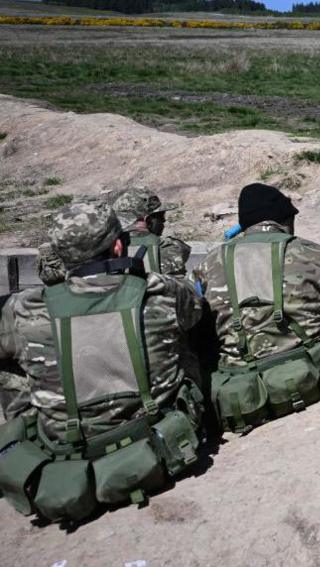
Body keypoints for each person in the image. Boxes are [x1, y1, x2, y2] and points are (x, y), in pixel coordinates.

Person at [0, 201, 206, 522]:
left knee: (11, 360)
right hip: (154, 431)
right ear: (119, 245)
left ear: (60, 254)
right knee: (183, 335)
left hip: (65, 448)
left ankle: (31, 426)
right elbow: (195, 311)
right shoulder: (159, 291)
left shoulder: (24, 309)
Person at [193, 183, 320, 432]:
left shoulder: (210, 263)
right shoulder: (312, 253)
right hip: (311, 383)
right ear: (285, 221)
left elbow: (202, 334)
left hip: (241, 399)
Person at [112, 187, 191, 277]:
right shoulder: (168, 248)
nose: (164, 220)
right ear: (148, 220)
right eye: (160, 216)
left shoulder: (105, 250)